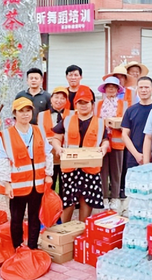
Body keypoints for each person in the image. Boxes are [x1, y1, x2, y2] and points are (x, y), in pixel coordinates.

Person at [0, 97, 53, 250]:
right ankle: (18, 247)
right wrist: (6, 183)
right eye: (21, 111)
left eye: (28, 111)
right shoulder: (6, 135)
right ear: (14, 113)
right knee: (17, 218)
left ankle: (33, 247)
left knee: (35, 217)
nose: (25, 114)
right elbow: (3, 160)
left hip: (38, 184)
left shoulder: (38, 130)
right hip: (18, 185)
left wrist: (48, 174)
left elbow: (47, 153)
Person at [51, 86, 109, 222]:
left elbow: (105, 140)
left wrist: (104, 148)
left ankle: (82, 229)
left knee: (87, 199)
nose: (83, 106)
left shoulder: (100, 123)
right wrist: (58, 148)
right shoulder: (67, 120)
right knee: (68, 199)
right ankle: (65, 229)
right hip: (71, 167)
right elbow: (56, 138)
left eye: (86, 102)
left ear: (92, 104)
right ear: (75, 104)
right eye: (80, 102)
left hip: (90, 167)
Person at [96, 76, 127, 212]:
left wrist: (118, 125)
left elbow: (127, 123)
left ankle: (114, 197)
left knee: (116, 172)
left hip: (117, 142)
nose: (111, 89)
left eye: (113, 87)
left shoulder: (123, 104)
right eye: (108, 87)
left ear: (117, 90)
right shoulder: (98, 105)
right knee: (102, 171)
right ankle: (103, 197)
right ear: (104, 89)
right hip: (102, 141)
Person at [121, 76, 152, 172]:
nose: (143, 90)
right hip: (134, 158)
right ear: (137, 89)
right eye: (141, 87)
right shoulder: (131, 110)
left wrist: (150, 155)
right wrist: (137, 155)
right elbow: (125, 134)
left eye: (146, 87)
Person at [36, 87, 71, 193]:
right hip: (49, 156)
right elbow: (40, 135)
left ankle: (64, 208)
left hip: (66, 156)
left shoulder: (72, 114)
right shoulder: (41, 115)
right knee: (49, 185)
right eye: (56, 97)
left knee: (65, 187)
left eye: (62, 98)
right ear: (51, 99)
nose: (59, 100)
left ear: (66, 101)